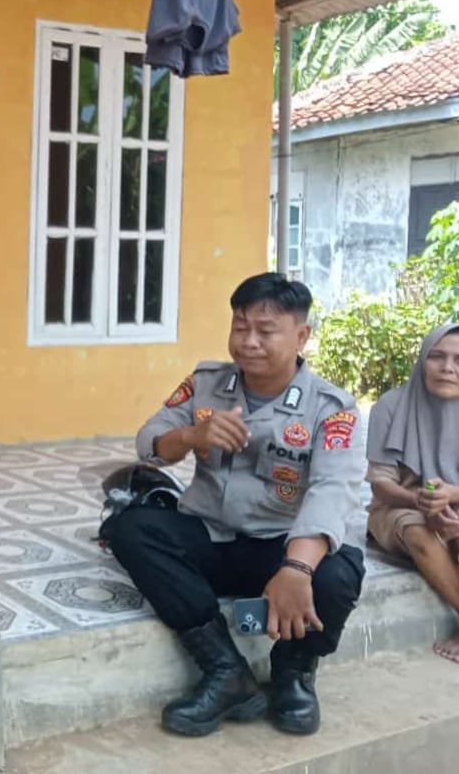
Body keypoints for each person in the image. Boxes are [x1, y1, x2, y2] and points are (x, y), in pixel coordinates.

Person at [101, 273, 366, 737]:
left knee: (339, 573)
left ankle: (294, 673)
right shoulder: (206, 384)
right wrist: (191, 435)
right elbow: (148, 442)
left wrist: (297, 569)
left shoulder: (331, 409)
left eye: (265, 331)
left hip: (281, 547)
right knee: (132, 529)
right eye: (240, 327)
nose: (249, 342)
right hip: (213, 536)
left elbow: (332, 491)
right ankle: (226, 671)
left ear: (301, 336)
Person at [366, 324, 459, 684]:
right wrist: (420, 500)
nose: (447, 367)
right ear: (423, 360)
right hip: (400, 505)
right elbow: (381, 484)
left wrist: (450, 496)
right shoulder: (390, 406)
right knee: (415, 526)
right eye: (437, 356)